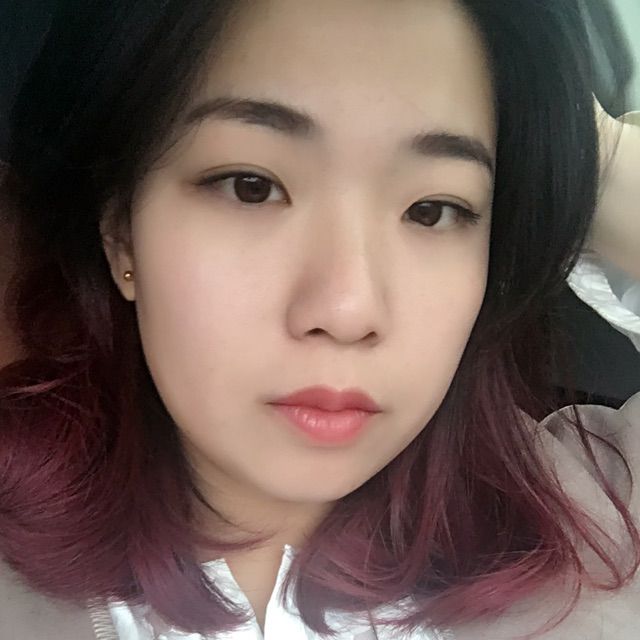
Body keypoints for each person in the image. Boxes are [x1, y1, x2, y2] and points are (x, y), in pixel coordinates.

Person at [0, 1, 638, 638]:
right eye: (251, 186)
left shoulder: (600, 524)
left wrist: (571, 145)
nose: (347, 311)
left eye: (433, 210)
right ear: (121, 233)